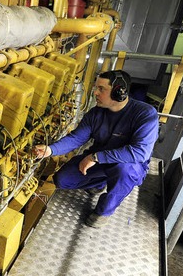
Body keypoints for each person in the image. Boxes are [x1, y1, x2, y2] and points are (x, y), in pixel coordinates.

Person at [33, 70, 158, 228]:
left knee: (123, 171)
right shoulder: (96, 114)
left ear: (119, 92)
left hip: (128, 164)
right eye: (95, 88)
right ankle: (99, 183)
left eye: (101, 89)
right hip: (98, 161)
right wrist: (50, 150)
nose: (95, 93)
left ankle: (103, 211)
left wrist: (95, 157)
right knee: (62, 179)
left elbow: (140, 152)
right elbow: (76, 138)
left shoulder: (145, 114)